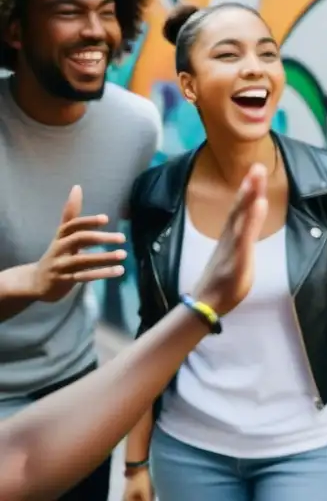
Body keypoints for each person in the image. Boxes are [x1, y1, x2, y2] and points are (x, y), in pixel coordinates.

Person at [122, 3, 327, 501]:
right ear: (189, 86)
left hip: (312, 447)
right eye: (228, 55)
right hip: (188, 447)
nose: (255, 67)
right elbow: (153, 328)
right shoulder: (156, 196)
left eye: (267, 53)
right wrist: (135, 459)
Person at [0, 0, 162, 499]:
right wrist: (30, 281)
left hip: (73, 393)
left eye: (107, 13)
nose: (95, 31)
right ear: (15, 30)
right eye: (69, 12)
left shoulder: (137, 128)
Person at [0, 161, 269, 500]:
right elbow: (22, 462)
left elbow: (24, 461)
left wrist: (22, 283)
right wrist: (202, 308)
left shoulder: (136, 130)